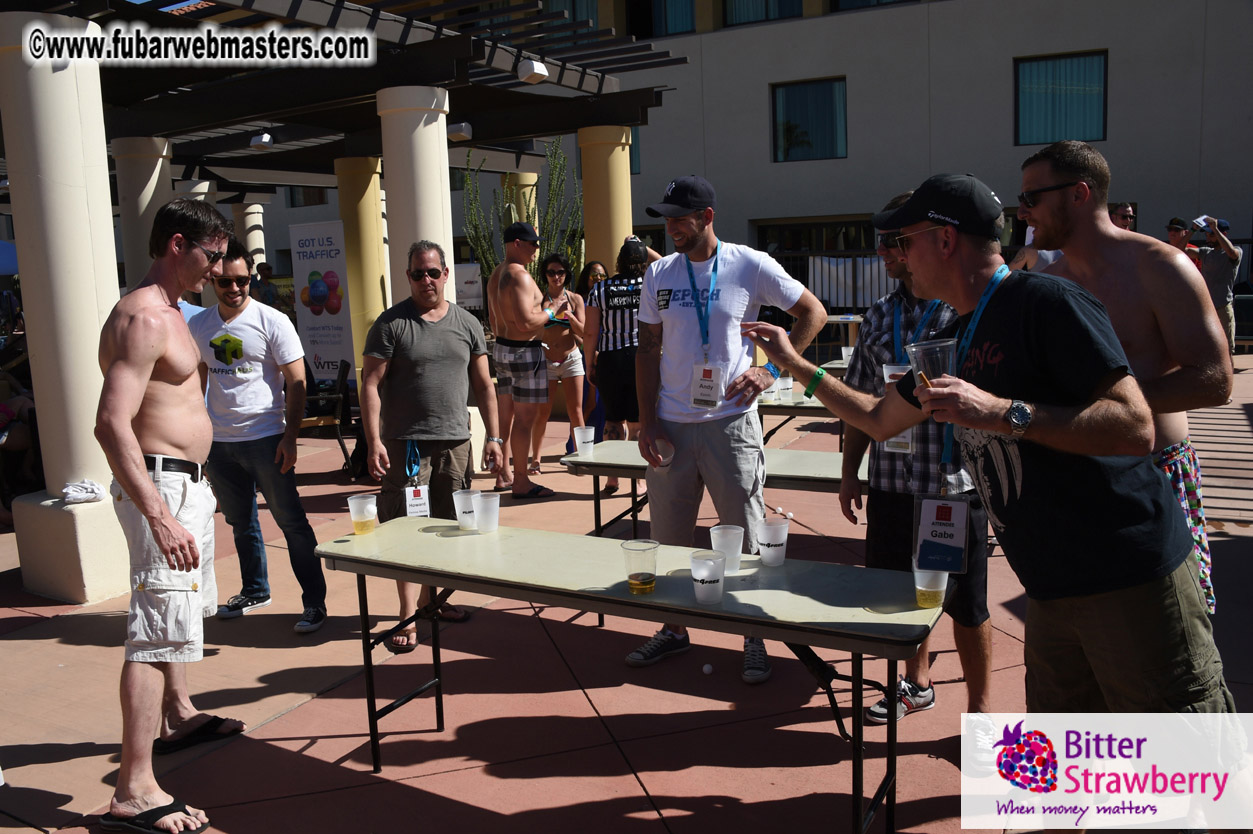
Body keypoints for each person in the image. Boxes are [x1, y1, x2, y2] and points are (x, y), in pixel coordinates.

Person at [743, 173, 1234, 714]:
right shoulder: (953, 332)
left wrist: (1000, 412)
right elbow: (881, 420)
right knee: (1073, 759)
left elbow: (1133, 425)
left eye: (905, 242)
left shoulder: (1045, 301)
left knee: (1186, 756)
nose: (899, 257)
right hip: (1049, 582)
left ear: (945, 240)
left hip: (1126, 573)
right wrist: (794, 364)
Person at [1018, 141, 1232, 613]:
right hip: (1082, 478)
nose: (1023, 211)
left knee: (1173, 635)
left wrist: (1116, 408)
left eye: (1032, 198)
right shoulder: (1054, 284)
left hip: (1155, 473)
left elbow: (1215, 380)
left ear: (1078, 193)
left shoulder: (1159, 266)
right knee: (1091, 637)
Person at [630, 175, 826, 684]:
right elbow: (647, 349)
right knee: (669, 539)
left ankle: (753, 633)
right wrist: (647, 421)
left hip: (731, 423)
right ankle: (674, 629)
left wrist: (773, 370)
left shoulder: (748, 263)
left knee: (742, 534)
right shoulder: (661, 274)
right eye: (667, 218)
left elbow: (812, 313)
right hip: (672, 424)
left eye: (680, 218)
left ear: (708, 217)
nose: (671, 227)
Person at [95, 198, 245, 834]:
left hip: (183, 485)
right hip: (160, 487)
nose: (216, 269)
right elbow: (110, 423)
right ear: (178, 244)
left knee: (175, 622)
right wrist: (159, 514)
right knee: (154, 631)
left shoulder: (177, 315)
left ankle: (177, 716)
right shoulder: (144, 317)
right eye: (211, 256)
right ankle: (134, 788)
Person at [840, 193, 992, 727]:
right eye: (882, 241)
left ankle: (980, 711)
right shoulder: (878, 317)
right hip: (891, 485)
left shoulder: (965, 312)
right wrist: (848, 473)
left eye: (894, 241)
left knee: (966, 607)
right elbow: (860, 403)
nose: (883, 251)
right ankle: (915, 685)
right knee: (897, 599)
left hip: (948, 488)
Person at [362, 240, 503, 652]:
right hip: (407, 445)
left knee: (448, 528)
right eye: (418, 273)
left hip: (456, 442)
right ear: (408, 277)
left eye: (434, 272)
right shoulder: (391, 324)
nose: (427, 279)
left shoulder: (467, 324)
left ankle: (433, 602)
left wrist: (494, 438)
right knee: (405, 529)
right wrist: (373, 441)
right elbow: (370, 384)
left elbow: (483, 385)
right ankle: (407, 615)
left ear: (446, 275)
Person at [188, 237, 328, 633]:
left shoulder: (272, 320)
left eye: (243, 280)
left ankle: (314, 604)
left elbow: (297, 381)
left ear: (252, 277)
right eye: (226, 282)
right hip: (219, 444)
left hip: (267, 439)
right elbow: (198, 383)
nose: (235, 289)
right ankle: (254, 589)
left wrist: (289, 438)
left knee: (291, 522)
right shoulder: (199, 325)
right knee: (240, 522)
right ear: (213, 280)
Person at [486, 221, 554, 499]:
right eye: (532, 243)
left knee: (506, 416)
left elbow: (493, 319)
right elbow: (527, 323)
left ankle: (504, 475)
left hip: (502, 348)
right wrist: (551, 312)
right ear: (516, 244)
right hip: (524, 351)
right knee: (525, 421)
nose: (537, 249)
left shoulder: (495, 274)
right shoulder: (520, 276)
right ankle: (522, 481)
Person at [585, 239, 650, 496]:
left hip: (610, 358)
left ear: (619, 262)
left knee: (612, 419)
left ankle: (612, 477)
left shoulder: (600, 289)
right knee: (637, 423)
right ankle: (640, 479)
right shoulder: (649, 287)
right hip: (640, 357)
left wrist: (590, 362)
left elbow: (590, 333)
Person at [529, 252, 586, 474]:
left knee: (576, 411)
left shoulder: (575, 299)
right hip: (546, 361)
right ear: (545, 275)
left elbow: (584, 332)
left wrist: (569, 316)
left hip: (571, 358)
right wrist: (550, 311)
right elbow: (533, 328)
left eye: (560, 272)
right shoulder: (540, 300)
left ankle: (583, 458)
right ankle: (536, 460)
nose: (556, 277)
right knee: (542, 413)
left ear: (566, 274)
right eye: (551, 272)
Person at [1195, 216, 1243, 354]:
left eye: (1211, 234)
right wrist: (1192, 229)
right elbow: (1180, 249)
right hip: (1206, 308)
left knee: (1226, 350)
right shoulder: (1206, 252)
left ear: (1223, 234)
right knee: (1205, 348)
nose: (1208, 237)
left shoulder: (1236, 251)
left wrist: (1215, 229)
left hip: (1223, 306)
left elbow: (1232, 253)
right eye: (1207, 234)